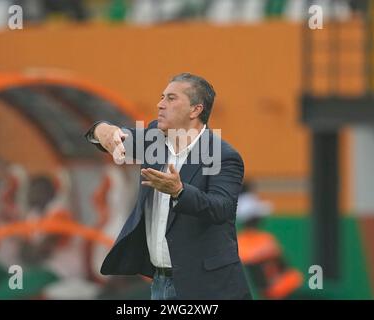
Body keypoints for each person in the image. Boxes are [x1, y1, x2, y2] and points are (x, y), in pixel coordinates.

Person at [85, 72, 251, 300]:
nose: (160, 104)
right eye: (162, 97)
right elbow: (109, 136)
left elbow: (221, 208)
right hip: (159, 282)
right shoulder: (154, 139)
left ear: (196, 110)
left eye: (171, 98)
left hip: (207, 288)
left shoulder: (223, 155)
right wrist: (103, 131)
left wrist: (180, 192)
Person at [236, 182, 304, 300]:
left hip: (282, 289)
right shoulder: (252, 241)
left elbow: (283, 267)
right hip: (274, 292)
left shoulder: (260, 238)